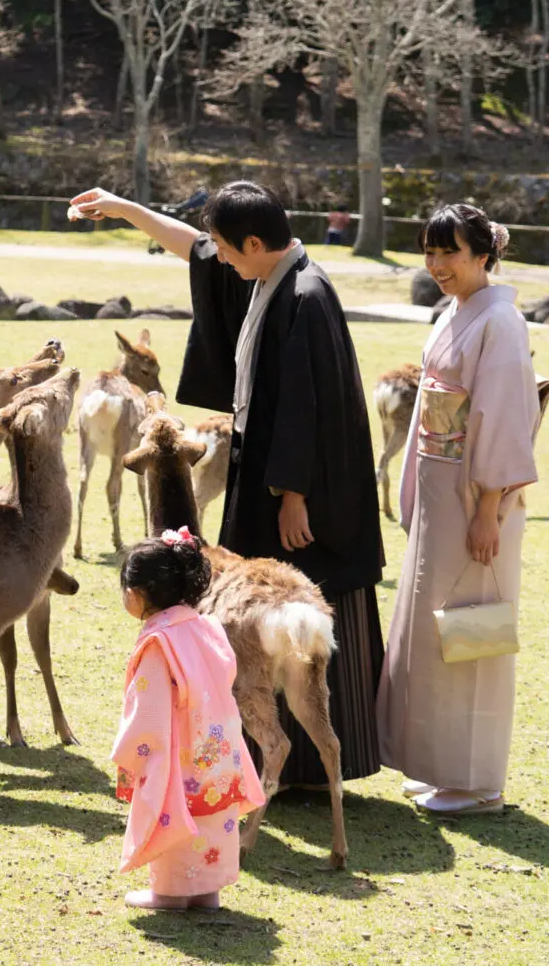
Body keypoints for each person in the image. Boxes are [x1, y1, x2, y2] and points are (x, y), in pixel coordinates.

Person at [69, 180, 387, 789]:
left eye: (227, 247)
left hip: (304, 492)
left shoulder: (306, 295)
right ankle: (269, 764)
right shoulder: (268, 275)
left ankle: (307, 773)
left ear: (254, 241)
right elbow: (197, 250)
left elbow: (306, 406)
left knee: (304, 606)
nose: (221, 260)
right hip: (263, 471)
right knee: (257, 616)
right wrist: (127, 209)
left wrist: (294, 494)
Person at [376, 205, 541, 816]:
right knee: (432, 626)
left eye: (451, 252)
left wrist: (489, 507)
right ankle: (439, 764)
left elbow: (501, 414)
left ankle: (475, 781)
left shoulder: (501, 321)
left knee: (470, 629)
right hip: (442, 484)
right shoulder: (457, 310)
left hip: (474, 491)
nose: (438, 265)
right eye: (430, 252)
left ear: (483, 256)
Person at [111, 530, 265, 911]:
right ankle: (206, 892)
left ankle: (168, 894)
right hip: (217, 747)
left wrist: (133, 750)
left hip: (178, 750)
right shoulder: (207, 627)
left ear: (137, 594)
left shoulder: (159, 643)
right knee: (212, 817)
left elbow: (149, 709)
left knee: (174, 811)